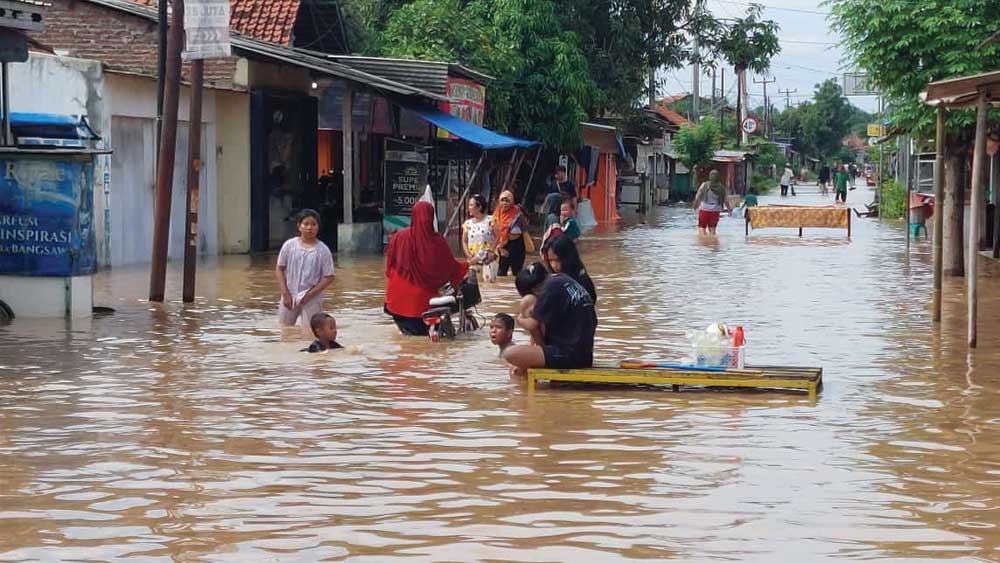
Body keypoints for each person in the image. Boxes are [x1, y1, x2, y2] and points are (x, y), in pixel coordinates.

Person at [503, 237, 598, 373]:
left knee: (510, 354)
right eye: (551, 261)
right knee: (519, 368)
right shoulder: (564, 281)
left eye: (557, 260)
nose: (554, 265)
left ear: (535, 289)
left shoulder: (552, 286)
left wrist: (519, 319)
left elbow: (533, 325)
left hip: (568, 355)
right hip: (581, 352)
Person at [384, 201, 469, 335]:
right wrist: (469, 264)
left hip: (396, 300)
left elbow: (389, 267)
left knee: (408, 343)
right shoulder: (438, 241)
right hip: (422, 304)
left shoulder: (399, 237)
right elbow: (452, 268)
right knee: (425, 340)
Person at [276, 209, 336, 331]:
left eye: (313, 224)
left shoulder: (323, 250)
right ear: (299, 226)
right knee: (284, 330)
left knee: (310, 332)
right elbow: (279, 268)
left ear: (318, 227)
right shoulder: (289, 245)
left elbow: (329, 277)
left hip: (312, 298)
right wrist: (285, 293)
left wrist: (309, 295)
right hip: (289, 295)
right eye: (306, 224)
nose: (310, 228)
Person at [462, 195, 499, 282]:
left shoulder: (490, 220)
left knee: (488, 286)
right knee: (472, 286)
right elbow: (464, 241)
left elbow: (497, 236)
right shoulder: (468, 223)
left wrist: (491, 250)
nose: (469, 208)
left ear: (479, 207)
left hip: (488, 260)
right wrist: (468, 254)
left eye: (471, 205)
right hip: (473, 260)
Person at [494, 190, 529, 277]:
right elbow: (493, 233)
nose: (504, 203)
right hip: (502, 246)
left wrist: (522, 218)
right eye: (502, 200)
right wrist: (499, 248)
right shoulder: (496, 213)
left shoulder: (518, 213)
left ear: (512, 201)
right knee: (501, 273)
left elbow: (525, 228)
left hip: (517, 246)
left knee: (517, 273)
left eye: (507, 201)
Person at [692, 170, 732, 235]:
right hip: (715, 210)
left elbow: (697, 197)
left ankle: (703, 242)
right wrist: (729, 210)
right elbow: (726, 200)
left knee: (702, 227)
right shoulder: (721, 187)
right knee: (712, 228)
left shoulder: (704, 185)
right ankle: (712, 243)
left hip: (704, 209)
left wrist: (694, 206)